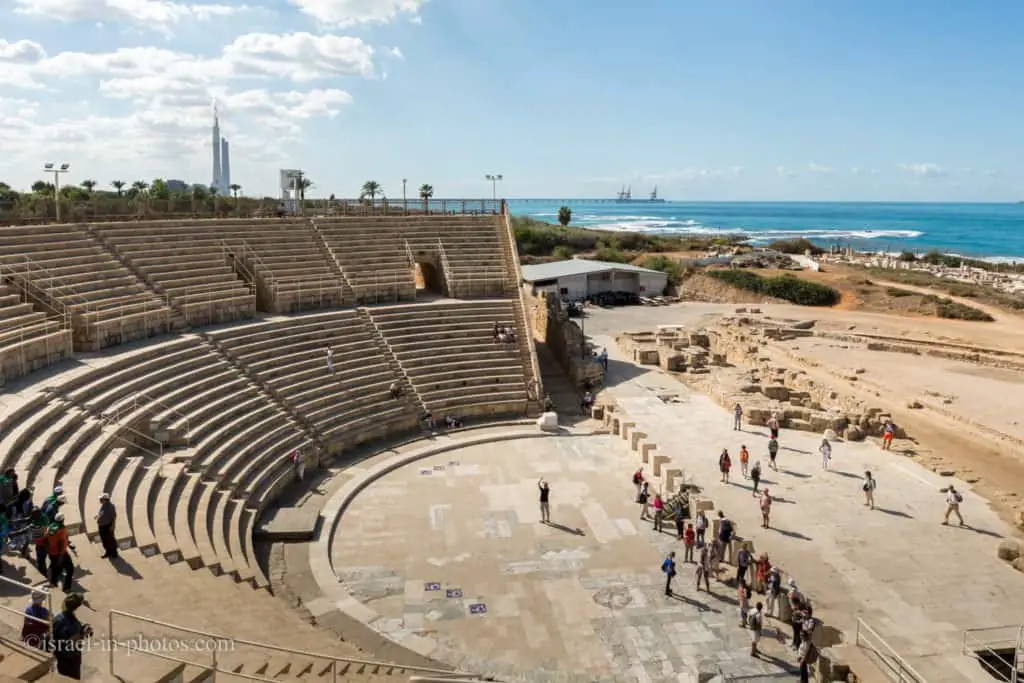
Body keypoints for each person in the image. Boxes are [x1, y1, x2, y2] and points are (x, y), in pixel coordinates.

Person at [52, 593, 92, 680]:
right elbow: (74, 640)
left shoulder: (58, 618)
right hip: (71, 656)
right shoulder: (73, 624)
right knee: (72, 677)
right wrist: (84, 633)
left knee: (62, 675)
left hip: (59, 653)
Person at [44, 513, 75, 592]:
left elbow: (45, 540)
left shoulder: (49, 527)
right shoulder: (62, 530)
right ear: (62, 520)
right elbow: (61, 543)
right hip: (61, 554)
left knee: (56, 567)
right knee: (70, 569)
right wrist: (61, 556)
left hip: (51, 553)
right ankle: (66, 588)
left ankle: (53, 582)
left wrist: (49, 550)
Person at [95, 493, 118, 560]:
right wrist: (98, 516)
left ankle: (114, 553)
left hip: (107, 526)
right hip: (102, 526)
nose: (100, 500)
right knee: (104, 540)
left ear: (105, 500)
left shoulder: (110, 507)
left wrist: (112, 526)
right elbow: (102, 512)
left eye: (101, 499)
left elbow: (113, 517)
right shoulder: (103, 505)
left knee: (110, 540)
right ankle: (108, 552)